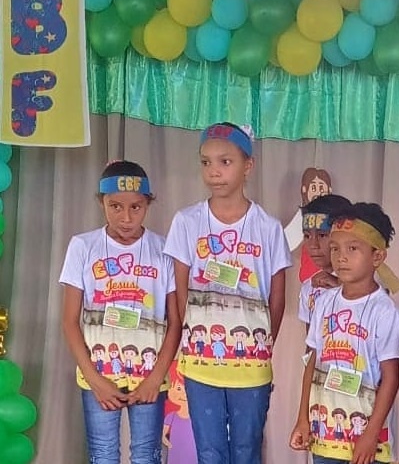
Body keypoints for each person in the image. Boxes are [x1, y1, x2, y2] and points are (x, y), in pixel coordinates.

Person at [164, 122, 292, 464]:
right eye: (205, 162)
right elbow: (180, 291)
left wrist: (261, 347)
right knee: (209, 452)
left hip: (251, 366)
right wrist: (191, 342)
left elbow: (277, 299)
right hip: (200, 365)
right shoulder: (187, 221)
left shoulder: (268, 227)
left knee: (247, 451)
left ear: (248, 165)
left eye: (225, 162)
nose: (214, 172)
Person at [60, 160, 182, 464]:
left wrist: (156, 378)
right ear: (101, 202)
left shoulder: (163, 250)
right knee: (102, 456)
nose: (126, 217)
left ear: (148, 204)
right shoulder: (83, 247)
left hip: (149, 380)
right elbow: (69, 321)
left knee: (147, 456)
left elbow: (176, 322)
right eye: (115, 207)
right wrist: (95, 380)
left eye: (136, 207)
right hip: (98, 378)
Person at [289, 202, 399, 464]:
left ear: (377, 256)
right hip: (325, 435)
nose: (341, 257)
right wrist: (303, 418)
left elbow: (391, 378)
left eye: (353, 249)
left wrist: (371, 434)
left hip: (365, 441)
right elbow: (312, 362)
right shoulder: (324, 302)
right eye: (335, 248)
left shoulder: (384, 311)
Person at [298, 194, 353, 331]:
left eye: (322, 235)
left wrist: (340, 286)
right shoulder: (309, 287)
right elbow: (311, 343)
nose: (313, 245)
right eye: (307, 236)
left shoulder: (365, 280)